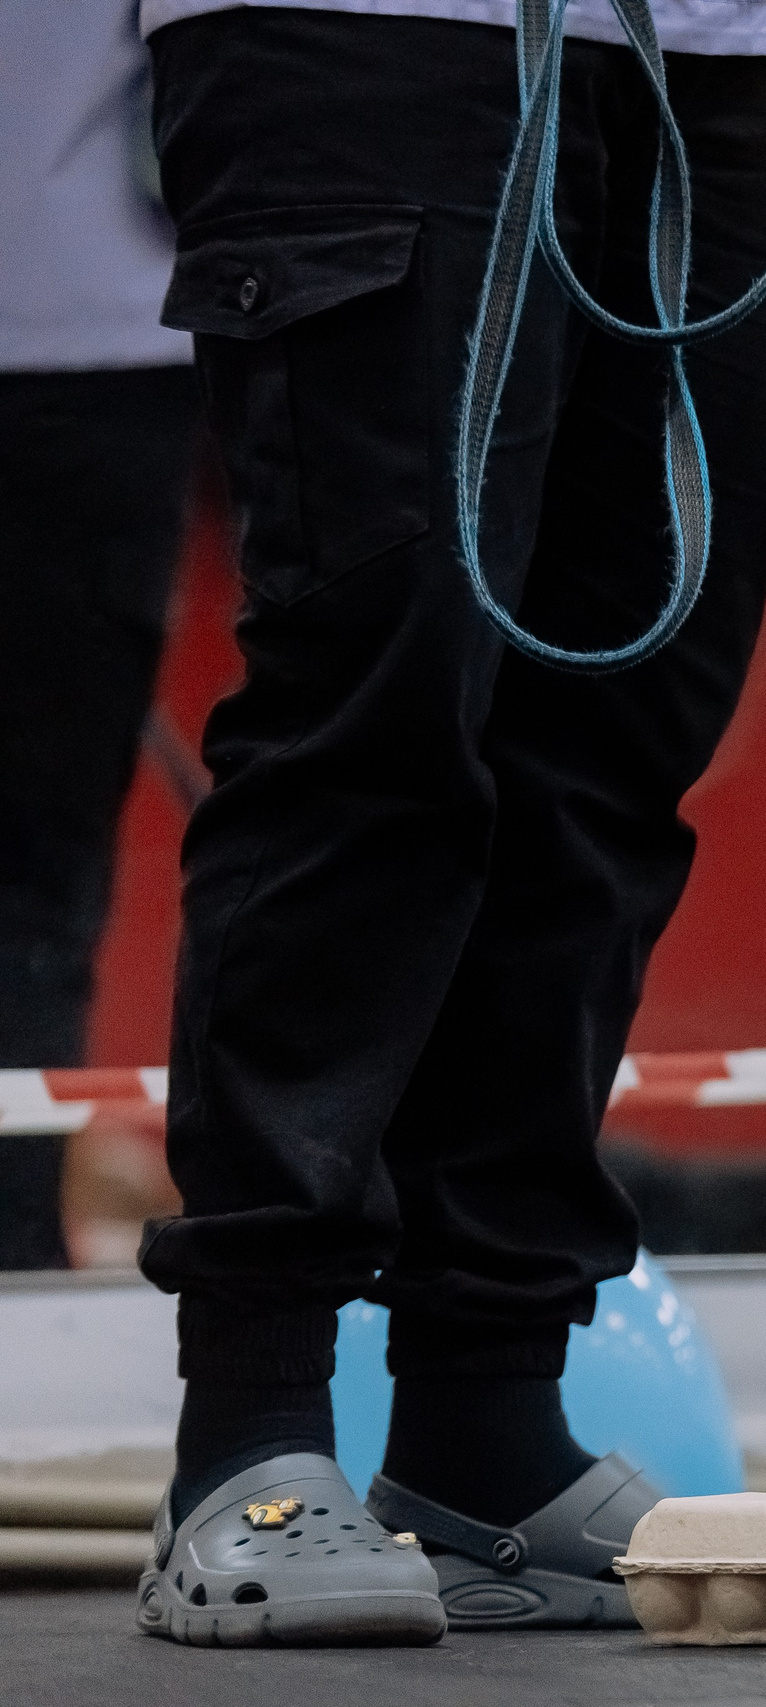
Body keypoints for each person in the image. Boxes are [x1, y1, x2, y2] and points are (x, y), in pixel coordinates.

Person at [130, 0, 766, 1645]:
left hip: (735, 47)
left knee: (622, 734)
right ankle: (248, 1432)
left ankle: (486, 1422)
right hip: (378, 33)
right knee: (376, 710)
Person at [0, 4, 200, 1273]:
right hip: (101, 326)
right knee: (38, 881)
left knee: (41, 878)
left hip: (104, 334)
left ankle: (17, 1262)